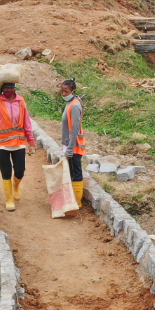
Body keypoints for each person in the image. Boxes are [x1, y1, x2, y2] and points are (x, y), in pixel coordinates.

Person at [0, 65, 34, 211]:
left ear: (15, 89)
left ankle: (16, 186)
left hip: (19, 142)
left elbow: (27, 121)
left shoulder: (20, 101)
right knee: (6, 171)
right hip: (2, 143)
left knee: (20, 170)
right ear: (3, 90)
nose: (10, 91)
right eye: (7, 89)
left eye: (12, 88)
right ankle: (9, 199)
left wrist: (31, 139)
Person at [57, 77, 87, 214]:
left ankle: (78, 202)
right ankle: (72, 200)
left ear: (73, 91)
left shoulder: (74, 105)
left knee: (76, 172)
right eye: (62, 91)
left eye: (66, 91)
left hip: (74, 146)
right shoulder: (70, 103)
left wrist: (69, 150)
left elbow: (74, 129)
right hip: (69, 145)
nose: (63, 94)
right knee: (71, 172)